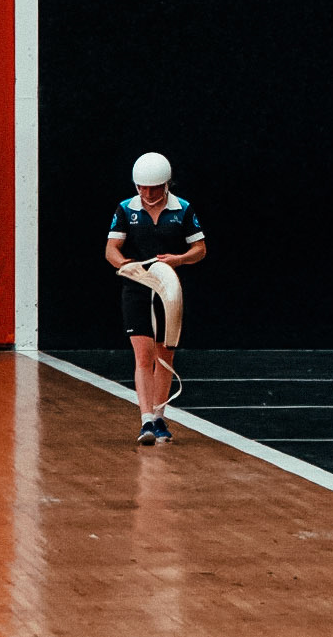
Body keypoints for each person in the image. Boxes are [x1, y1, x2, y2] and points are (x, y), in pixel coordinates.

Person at [106, 151, 206, 445]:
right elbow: (111, 249)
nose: (147, 194)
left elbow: (200, 249)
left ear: (166, 184)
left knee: (165, 355)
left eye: (154, 188)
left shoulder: (182, 209)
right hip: (137, 287)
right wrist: (125, 265)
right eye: (142, 188)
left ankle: (160, 418)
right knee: (143, 355)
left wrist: (179, 259)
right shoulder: (126, 209)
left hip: (168, 287)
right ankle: (145, 420)